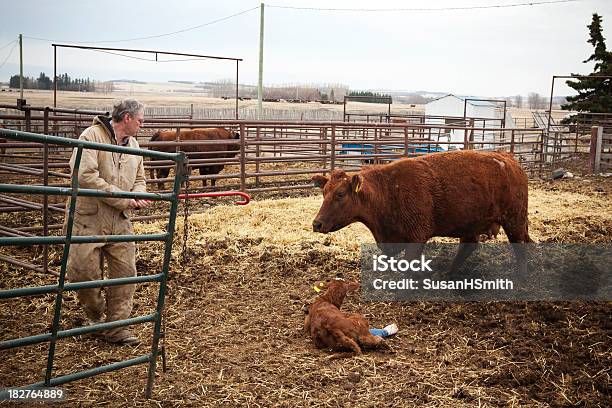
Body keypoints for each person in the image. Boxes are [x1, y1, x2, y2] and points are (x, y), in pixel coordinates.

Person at [65, 99, 150, 345]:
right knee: (83, 274)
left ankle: (116, 328)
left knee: (126, 274)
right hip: (88, 217)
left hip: (120, 220)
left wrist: (139, 194)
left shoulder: (134, 145)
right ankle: (94, 317)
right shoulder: (91, 137)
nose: (142, 126)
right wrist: (125, 198)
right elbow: (85, 176)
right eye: (140, 121)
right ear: (127, 118)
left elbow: (141, 178)